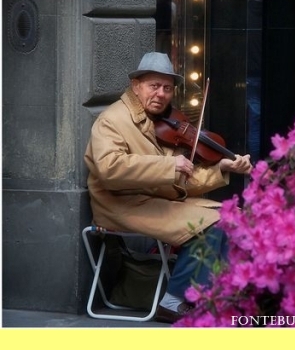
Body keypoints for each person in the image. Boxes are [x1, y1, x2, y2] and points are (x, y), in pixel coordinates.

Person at [84, 52, 252, 324]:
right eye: (154, 86)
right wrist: (167, 166)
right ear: (136, 85)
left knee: (230, 218)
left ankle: (220, 297)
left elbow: (181, 179)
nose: (161, 94)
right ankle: (173, 302)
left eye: (167, 88)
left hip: (153, 199)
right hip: (120, 204)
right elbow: (109, 169)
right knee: (206, 224)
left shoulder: (162, 121)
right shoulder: (112, 120)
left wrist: (221, 169)